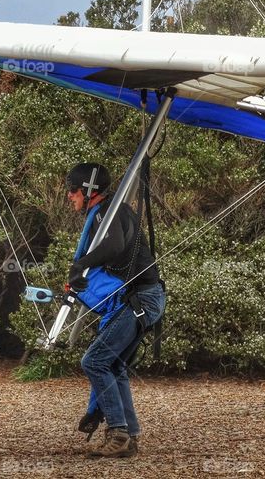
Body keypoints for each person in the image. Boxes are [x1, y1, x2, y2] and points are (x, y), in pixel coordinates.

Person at [64, 162, 165, 459]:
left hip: (140, 301)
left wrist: (82, 264)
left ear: (89, 190)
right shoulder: (109, 212)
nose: (69, 195)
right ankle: (128, 437)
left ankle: (118, 433)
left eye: (73, 190)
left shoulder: (108, 213)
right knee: (115, 366)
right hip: (145, 299)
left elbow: (115, 245)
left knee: (94, 361)